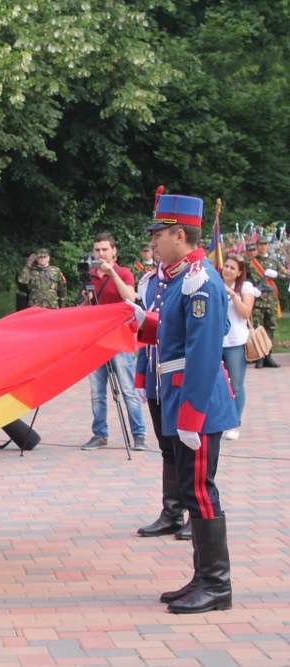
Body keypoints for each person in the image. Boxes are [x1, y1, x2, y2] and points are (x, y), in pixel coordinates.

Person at [132, 190, 238, 614]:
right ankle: (202, 577)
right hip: (181, 398)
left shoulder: (199, 280)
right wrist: (146, 323)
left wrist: (191, 416)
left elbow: (204, 352)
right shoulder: (180, 277)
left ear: (180, 234)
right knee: (192, 492)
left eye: (159, 234)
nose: (153, 241)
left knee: (200, 492)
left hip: (198, 403)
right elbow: (176, 331)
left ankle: (217, 585)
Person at [134, 248, 189, 540]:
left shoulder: (192, 280)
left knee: (189, 450)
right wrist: (141, 376)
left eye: (159, 238)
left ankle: (197, 514)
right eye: (153, 240)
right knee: (168, 448)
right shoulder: (149, 281)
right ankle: (172, 512)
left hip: (181, 379)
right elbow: (146, 338)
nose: (155, 246)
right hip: (158, 379)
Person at [79, 232, 147, 451]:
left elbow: (130, 297)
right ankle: (99, 434)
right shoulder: (89, 275)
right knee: (97, 393)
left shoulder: (124, 272)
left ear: (114, 251)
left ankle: (139, 433)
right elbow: (83, 310)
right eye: (97, 250)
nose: (101, 254)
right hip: (97, 340)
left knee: (127, 389)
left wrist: (112, 273)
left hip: (119, 339)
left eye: (105, 249)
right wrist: (86, 300)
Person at [220, 254, 257, 440]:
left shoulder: (245, 287)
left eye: (232, 268)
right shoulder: (216, 284)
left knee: (236, 385)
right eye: (226, 266)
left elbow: (245, 313)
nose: (227, 270)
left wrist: (233, 295)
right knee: (217, 384)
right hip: (217, 342)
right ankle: (219, 421)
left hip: (236, 342)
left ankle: (234, 424)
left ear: (240, 272)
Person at [247, 235, 283, 368]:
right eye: (260, 244)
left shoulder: (274, 262)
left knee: (270, 328)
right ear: (257, 246)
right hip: (257, 301)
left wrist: (277, 274)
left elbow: (285, 276)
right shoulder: (251, 263)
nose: (263, 246)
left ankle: (268, 356)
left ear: (268, 245)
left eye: (265, 244)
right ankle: (260, 357)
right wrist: (252, 290)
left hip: (271, 300)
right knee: (258, 328)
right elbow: (245, 279)